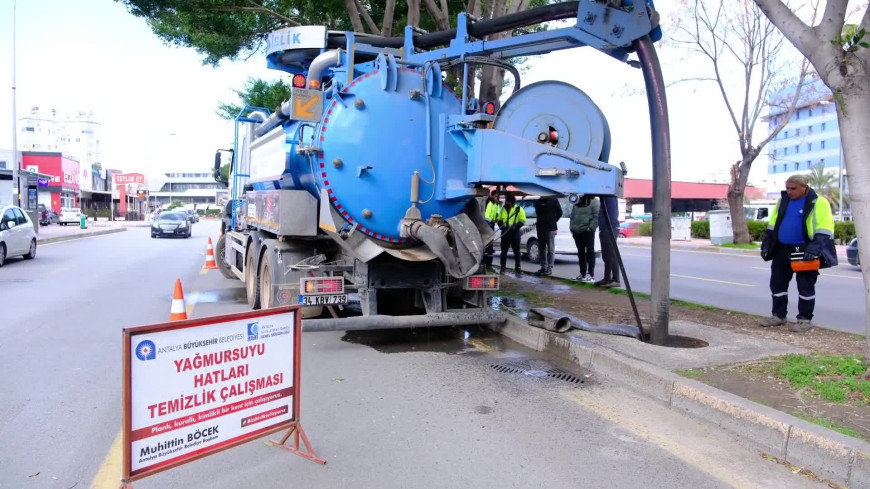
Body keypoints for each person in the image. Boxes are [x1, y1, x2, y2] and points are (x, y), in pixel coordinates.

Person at [760, 174, 837, 332]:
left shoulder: (818, 202)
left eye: (793, 188)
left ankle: (804, 320)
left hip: (805, 251)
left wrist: (814, 247)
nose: (789, 191)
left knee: (805, 286)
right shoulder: (783, 201)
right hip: (782, 250)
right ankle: (778, 316)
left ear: (804, 187)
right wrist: (767, 244)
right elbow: (773, 224)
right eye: (787, 188)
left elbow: (825, 227)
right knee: (777, 284)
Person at [570, 195, 600, 283]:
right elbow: (572, 216)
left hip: (588, 231)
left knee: (590, 252)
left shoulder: (595, 201)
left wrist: (590, 228)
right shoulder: (577, 200)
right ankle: (582, 274)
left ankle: (591, 275)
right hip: (577, 231)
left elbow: (596, 217)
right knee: (580, 253)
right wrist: (572, 228)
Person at [533, 196, 563, 276]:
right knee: (542, 248)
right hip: (541, 227)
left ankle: (549, 268)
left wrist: (553, 220)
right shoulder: (537, 201)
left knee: (550, 249)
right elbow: (538, 214)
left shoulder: (553, 199)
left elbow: (560, 212)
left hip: (550, 228)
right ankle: (543, 267)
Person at [595, 195, 621, 287]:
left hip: (610, 228)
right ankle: (607, 278)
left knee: (611, 254)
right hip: (605, 228)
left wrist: (607, 228)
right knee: (606, 255)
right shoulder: (604, 197)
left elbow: (612, 214)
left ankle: (616, 279)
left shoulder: (610, 197)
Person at [498, 194, 526, 275]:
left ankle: (518, 268)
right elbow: (499, 219)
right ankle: (502, 268)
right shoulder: (502, 209)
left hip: (515, 234)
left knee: (517, 252)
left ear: (512, 202)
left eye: (509, 202)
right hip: (505, 234)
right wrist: (502, 227)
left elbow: (522, 220)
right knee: (504, 252)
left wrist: (516, 227)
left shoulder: (518, 209)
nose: (507, 203)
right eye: (506, 201)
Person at [483, 189, 502, 269]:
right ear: (492, 196)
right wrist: (490, 224)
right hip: (488, 225)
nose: (497, 198)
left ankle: (489, 264)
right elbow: (487, 216)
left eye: (498, 197)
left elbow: (496, 214)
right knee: (488, 245)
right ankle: (485, 264)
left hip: (492, 225)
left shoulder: (496, 204)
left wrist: (497, 219)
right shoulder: (490, 203)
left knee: (490, 245)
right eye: (496, 196)